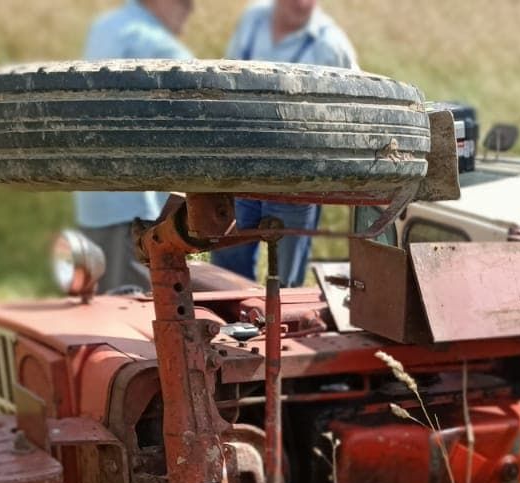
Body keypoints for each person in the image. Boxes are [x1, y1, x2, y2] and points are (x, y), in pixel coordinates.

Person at [210, 0, 356, 288]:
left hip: (295, 181)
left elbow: (353, 108)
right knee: (227, 263)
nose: (302, 4)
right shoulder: (253, 21)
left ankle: (280, 326)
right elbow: (225, 79)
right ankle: (231, 319)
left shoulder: (330, 46)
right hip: (242, 170)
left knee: (286, 280)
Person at [75, 0, 194, 294]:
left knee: (96, 303)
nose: (190, 11)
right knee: (131, 308)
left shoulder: (104, 26)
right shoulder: (155, 44)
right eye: (186, 3)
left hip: (94, 200)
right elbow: (205, 100)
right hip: (132, 206)